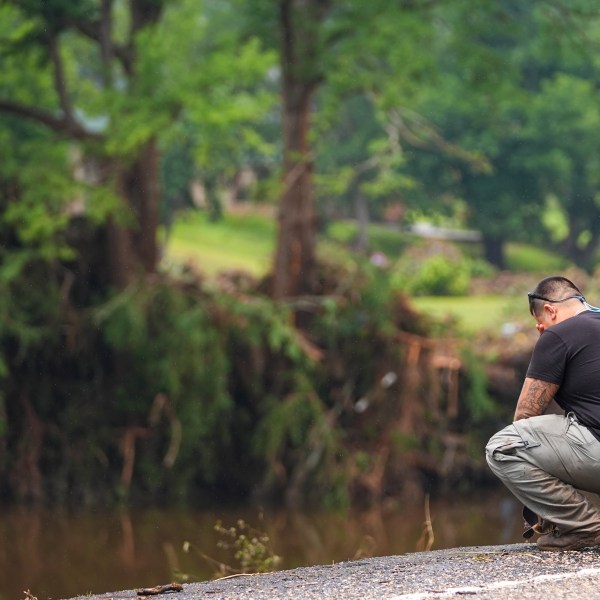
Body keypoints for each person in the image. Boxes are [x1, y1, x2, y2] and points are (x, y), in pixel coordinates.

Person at [486, 275, 600, 551]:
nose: (540, 328)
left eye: (540, 322)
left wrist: (550, 339)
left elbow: (525, 418)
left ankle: (586, 527)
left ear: (550, 310)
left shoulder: (559, 334)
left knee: (504, 447)